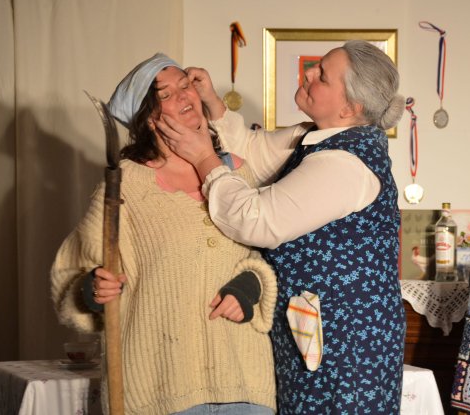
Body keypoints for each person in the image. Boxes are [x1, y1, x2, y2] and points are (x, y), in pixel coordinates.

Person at [157, 40, 407, 414]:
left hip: (347, 347)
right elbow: (253, 151)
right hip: (318, 333)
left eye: (322, 75)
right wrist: (211, 102)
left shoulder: (344, 166)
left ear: (349, 108)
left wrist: (205, 159)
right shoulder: (315, 137)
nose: (309, 72)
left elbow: (256, 221)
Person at [50, 53, 277, 415]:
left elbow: (265, 257)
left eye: (186, 86)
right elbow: (71, 272)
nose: (184, 96)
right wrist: (92, 288)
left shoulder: (235, 172)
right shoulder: (125, 184)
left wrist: (250, 287)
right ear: (148, 119)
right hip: (158, 388)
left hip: (244, 381)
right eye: (166, 95)